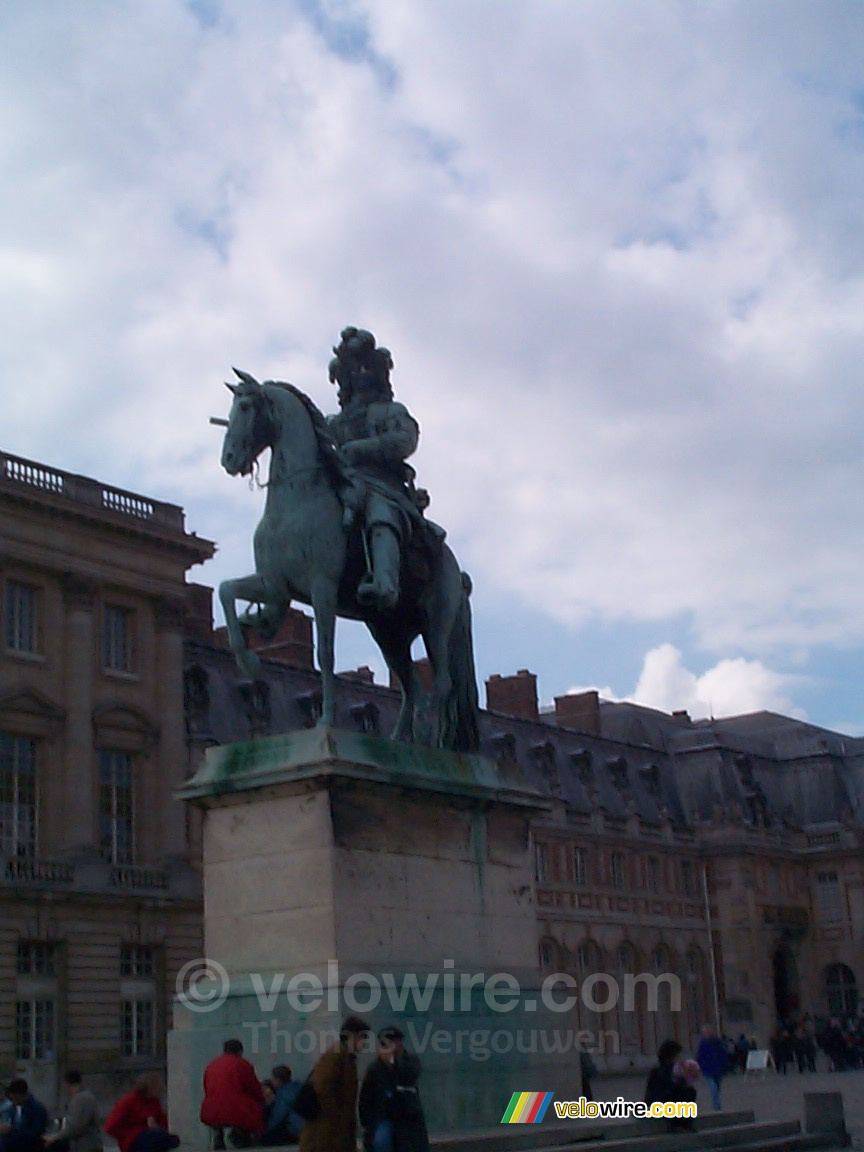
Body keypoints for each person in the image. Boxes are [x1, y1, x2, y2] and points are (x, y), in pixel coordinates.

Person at [326, 328, 441, 611]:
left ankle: (385, 582)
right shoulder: (332, 422)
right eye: (353, 369)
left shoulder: (392, 412)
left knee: (380, 514)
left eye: (366, 368)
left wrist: (361, 448)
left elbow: (405, 440)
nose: (360, 374)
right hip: (343, 484)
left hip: (382, 485)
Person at [299, 1016, 370, 1152]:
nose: (365, 1042)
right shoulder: (336, 1056)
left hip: (333, 1133)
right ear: (353, 1036)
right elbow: (322, 1089)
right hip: (325, 1134)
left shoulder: (346, 1057)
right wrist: (338, 1118)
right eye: (363, 1036)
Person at [359, 1027, 428, 1152]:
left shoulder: (410, 1062)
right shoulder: (375, 1069)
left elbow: (410, 1074)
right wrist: (370, 1123)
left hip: (408, 1119)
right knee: (381, 1140)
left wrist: (393, 1063)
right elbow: (365, 1099)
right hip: (384, 1118)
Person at [201, 1039, 265, 1150]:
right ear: (240, 1051)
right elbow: (254, 1089)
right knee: (254, 1109)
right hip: (234, 1111)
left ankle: (219, 1136)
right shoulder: (242, 1064)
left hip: (209, 1110)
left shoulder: (211, 1065)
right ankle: (240, 1137)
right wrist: (262, 1100)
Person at [103, 1073, 179, 1152]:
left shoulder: (154, 1102)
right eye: (155, 1086)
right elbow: (110, 1127)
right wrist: (130, 1134)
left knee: (171, 1139)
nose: (158, 1089)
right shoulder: (128, 1102)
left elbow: (162, 1122)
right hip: (134, 1140)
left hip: (152, 1136)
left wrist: (156, 1126)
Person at [43, 1071, 101, 1152]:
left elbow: (75, 1126)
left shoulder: (82, 1099)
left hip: (86, 1147)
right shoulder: (82, 1098)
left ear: (68, 1084)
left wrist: (56, 1137)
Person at [644, 1041, 695, 1131]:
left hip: (669, 1100)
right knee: (677, 1093)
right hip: (660, 1102)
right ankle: (676, 1124)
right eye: (677, 1055)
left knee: (689, 1091)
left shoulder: (677, 1068)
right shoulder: (659, 1070)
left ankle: (685, 1122)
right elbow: (658, 1090)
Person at [0, 1080, 48, 1152]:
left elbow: (34, 1134)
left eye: (15, 1097)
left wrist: (11, 1131)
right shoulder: (11, 1108)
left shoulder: (37, 1110)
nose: (13, 1100)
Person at [262, 1066, 303, 1146]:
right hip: (306, 1126)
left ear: (278, 1080)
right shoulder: (299, 1087)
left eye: (273, 1078)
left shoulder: (283, 1094)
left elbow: (278, 1116)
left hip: (294, 1129)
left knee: (267, 1139)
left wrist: (265, 1130)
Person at [696, 1023, 728, 1112]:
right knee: (713, 1088)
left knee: (717, 1087)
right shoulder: (702, 1043)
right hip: (708, 1070)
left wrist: (724, 1064)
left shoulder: (717, 1042)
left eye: (707, 1032)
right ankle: (716, 1106)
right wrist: (700, 1066)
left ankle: (716, 1103)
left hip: (718, 1069)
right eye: (705, 1033)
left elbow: (723, 1053)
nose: (706, 1034)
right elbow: (699, 1056)